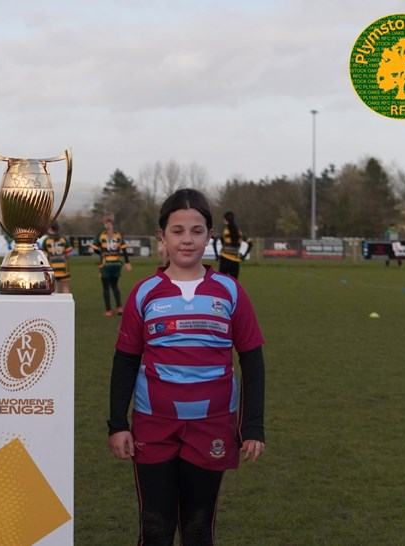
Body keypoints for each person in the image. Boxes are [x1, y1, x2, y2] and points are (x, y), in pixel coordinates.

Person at [108, 188, 266, 545]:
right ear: (162, 236)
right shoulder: (145, 292)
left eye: (197, 231)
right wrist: (117, 424)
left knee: (197, 528)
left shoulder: (230, 291)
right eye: (177, 231)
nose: (187, 240)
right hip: (153, 424)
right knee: (155, 528)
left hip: (212, 423)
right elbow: (126, 361)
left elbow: (252, 359)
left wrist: (253, 425)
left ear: (210, 235)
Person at [90, 212, 132, 316]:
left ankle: (109, 311)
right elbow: (124, 249)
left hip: (106, 264)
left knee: (106, 287)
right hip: (117, 263)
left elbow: (95, 248)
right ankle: (119, 308)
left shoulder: (101, 234)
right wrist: (127, 262)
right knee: (115, 286)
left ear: (103, 221)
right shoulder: (118, 233)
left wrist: (102, 254)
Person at [213, 211, 252, 279]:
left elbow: (215, 241)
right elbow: (250, 244)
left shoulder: (224, 230)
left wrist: (216, 255)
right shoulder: (239, 232)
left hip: (225, 259)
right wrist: (244, 256)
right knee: (233, 282)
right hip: (235, 261)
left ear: (225, 219)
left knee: (222, 282)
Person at [40, 220, 72, 294]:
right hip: (64, 267)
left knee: (54, 289)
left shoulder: (46, 240)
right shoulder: (63, 239)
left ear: (50, 228)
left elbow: (43, 256)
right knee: (65, 288)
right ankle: (66, 302)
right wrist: (64, 256)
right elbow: (69, 252)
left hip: (52, 268)